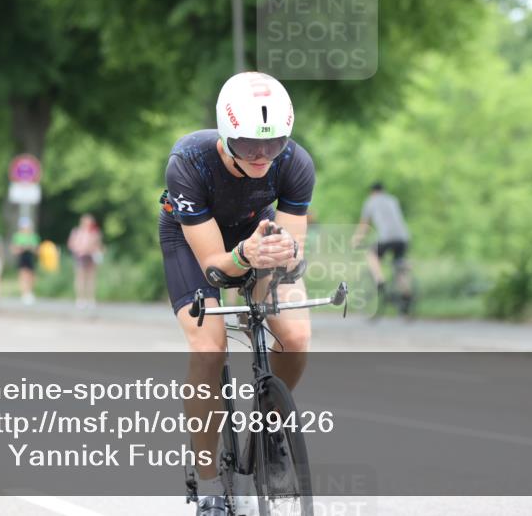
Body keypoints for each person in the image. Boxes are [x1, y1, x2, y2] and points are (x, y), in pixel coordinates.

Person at [159, 72, 314, 515]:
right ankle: (209, 485)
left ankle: (269, 427)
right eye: (249, 145)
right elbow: (214, 263)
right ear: (227, 136)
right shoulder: (188, 161)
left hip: (254, 231)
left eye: (274, 143)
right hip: (193, 241)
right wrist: (245, 254)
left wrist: (285, 252)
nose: (263, 155)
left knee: (296, 335)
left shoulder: (296, 163)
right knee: (209, 348)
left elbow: (293, 247)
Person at [352, 182, 411, 314]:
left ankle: (380, 282)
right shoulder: (393, 200)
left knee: (371, 254)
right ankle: (406, 296)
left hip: (386, 237)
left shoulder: (370, 201)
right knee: (399, 265)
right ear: (383, 191)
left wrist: (356, 240)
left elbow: (365, 225)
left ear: (372, 192)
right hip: (403, 237)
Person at [67, 214, 103, 310]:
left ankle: (91, 299)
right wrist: (79, 250)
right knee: (80, 278)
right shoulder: (76, 232)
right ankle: (80, 299)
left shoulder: (95, 233)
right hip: (80, 256)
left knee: (91, 278)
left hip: (91, 256)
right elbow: (71, 244)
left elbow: (98, 245)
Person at [11, 217, 40, 304]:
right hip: (22, 257)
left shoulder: (33, 236)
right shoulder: (17, 236)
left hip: (30, 257)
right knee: (23, 275)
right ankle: (24, 293)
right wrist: (22, 248)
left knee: (31, 276)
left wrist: (31, 248)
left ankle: (30, 292)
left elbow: (37, 250)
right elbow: (14, 250)